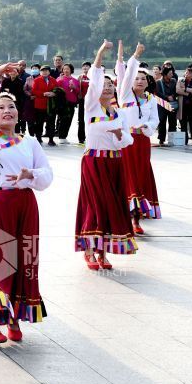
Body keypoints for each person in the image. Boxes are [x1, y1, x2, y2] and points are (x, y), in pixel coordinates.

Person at [0, 62, 53, 344]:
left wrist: (30, 174)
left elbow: (47, 176)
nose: (6, 111)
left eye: (11, 107)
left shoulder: (30, 142)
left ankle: (16, 317)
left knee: (24, 260)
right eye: (1, 107)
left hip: (25, 204)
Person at [76, 41, 138, 271]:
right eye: (104, 85)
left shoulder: (119, 113)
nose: (108, 88)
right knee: (95, 205)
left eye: (111, 85)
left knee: (111, 206)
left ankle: (104, 252)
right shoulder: (90, 107)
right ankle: (90, 250)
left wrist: (121, 133)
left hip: (114, 163)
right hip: (93, 162)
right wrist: (101, 52)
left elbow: (127, 142)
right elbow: (95, 75)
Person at [119, 63, 161, 234]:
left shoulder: (151, 99)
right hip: (126, 141)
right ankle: (127, 212)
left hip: (143, 141)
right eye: (136, 78)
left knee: (141, 174)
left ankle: (137, 216)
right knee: (127, 174)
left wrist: (146, 125)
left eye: (143, 78)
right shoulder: (125, 96)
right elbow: (124, 74)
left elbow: (155, 120)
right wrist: (133, 57)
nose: (140, 81)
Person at [28, 65, 57, 146]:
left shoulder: (53, 80)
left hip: (50, 105)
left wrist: (53, 93)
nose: (44, 72)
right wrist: (43, 94)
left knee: (51, 123)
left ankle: (51, 139)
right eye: (43, 71)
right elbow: (34, 91)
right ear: (40, 72)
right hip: (40, 105)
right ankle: (38, 138)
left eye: (46, 71)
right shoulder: (37, 80)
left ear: (49, 72)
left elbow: (57, 89)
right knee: (39, 123)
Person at [55, 64, 80, 143]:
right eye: (64, 69)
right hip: (62, 102)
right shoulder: (59, 79)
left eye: (67, 69)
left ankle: (64, 136)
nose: (66, 70)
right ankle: (61, 136)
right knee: (62, 119)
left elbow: (78, 92)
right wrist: (60, 80)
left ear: (71, 70)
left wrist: (74, 88)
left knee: (69, 119)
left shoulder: (75, 80)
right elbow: (55, 89)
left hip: (71, 102)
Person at [156, 66, 178, 144]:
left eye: (172, 73)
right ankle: (161, 139)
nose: (172, 74)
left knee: (173, 122)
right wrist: (166, 97)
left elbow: (177, 91)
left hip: (172, 104)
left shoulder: (174, 81)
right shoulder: (158, 82)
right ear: (165, 74)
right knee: (162, 122)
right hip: (162, 104)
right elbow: (157, 93)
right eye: (170, 73)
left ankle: (172, 139)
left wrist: (173, 96)